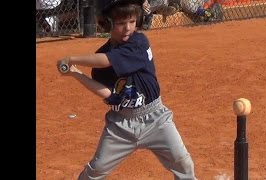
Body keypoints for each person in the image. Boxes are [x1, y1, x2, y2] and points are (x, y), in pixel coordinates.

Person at [56, 0, 197, 179]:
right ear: (107, 23)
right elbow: (109, 94)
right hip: (121, 124)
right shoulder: (100, 59)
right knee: (96, 169)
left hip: (156, 119)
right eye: (121, 23)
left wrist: (71, 59)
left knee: (183, 163)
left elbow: (108, 60)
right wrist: (76, 73)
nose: (128, 28)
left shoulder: (138, 42)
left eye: (132, 21)